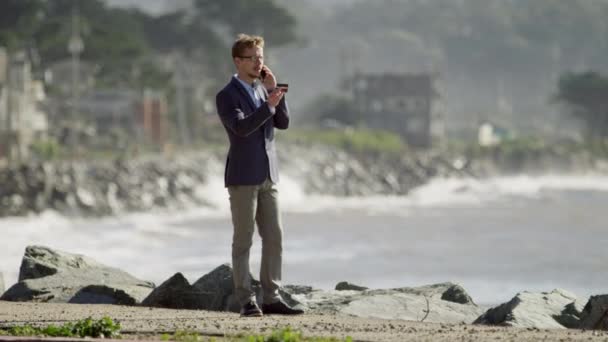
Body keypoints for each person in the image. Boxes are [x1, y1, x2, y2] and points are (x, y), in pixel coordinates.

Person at [215, 34, 303, 317]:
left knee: (275, 237)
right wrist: (268, 106)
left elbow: (283, 123)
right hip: (243, 176)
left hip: (269, 174)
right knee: (243, 240)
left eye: (261, 57)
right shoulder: (226, 95)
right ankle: (245, 300)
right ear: (238, 61)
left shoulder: (263, 89)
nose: (259, 62)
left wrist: (274, 92)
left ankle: (272, 297)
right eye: (253, 58)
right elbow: (241, 129)